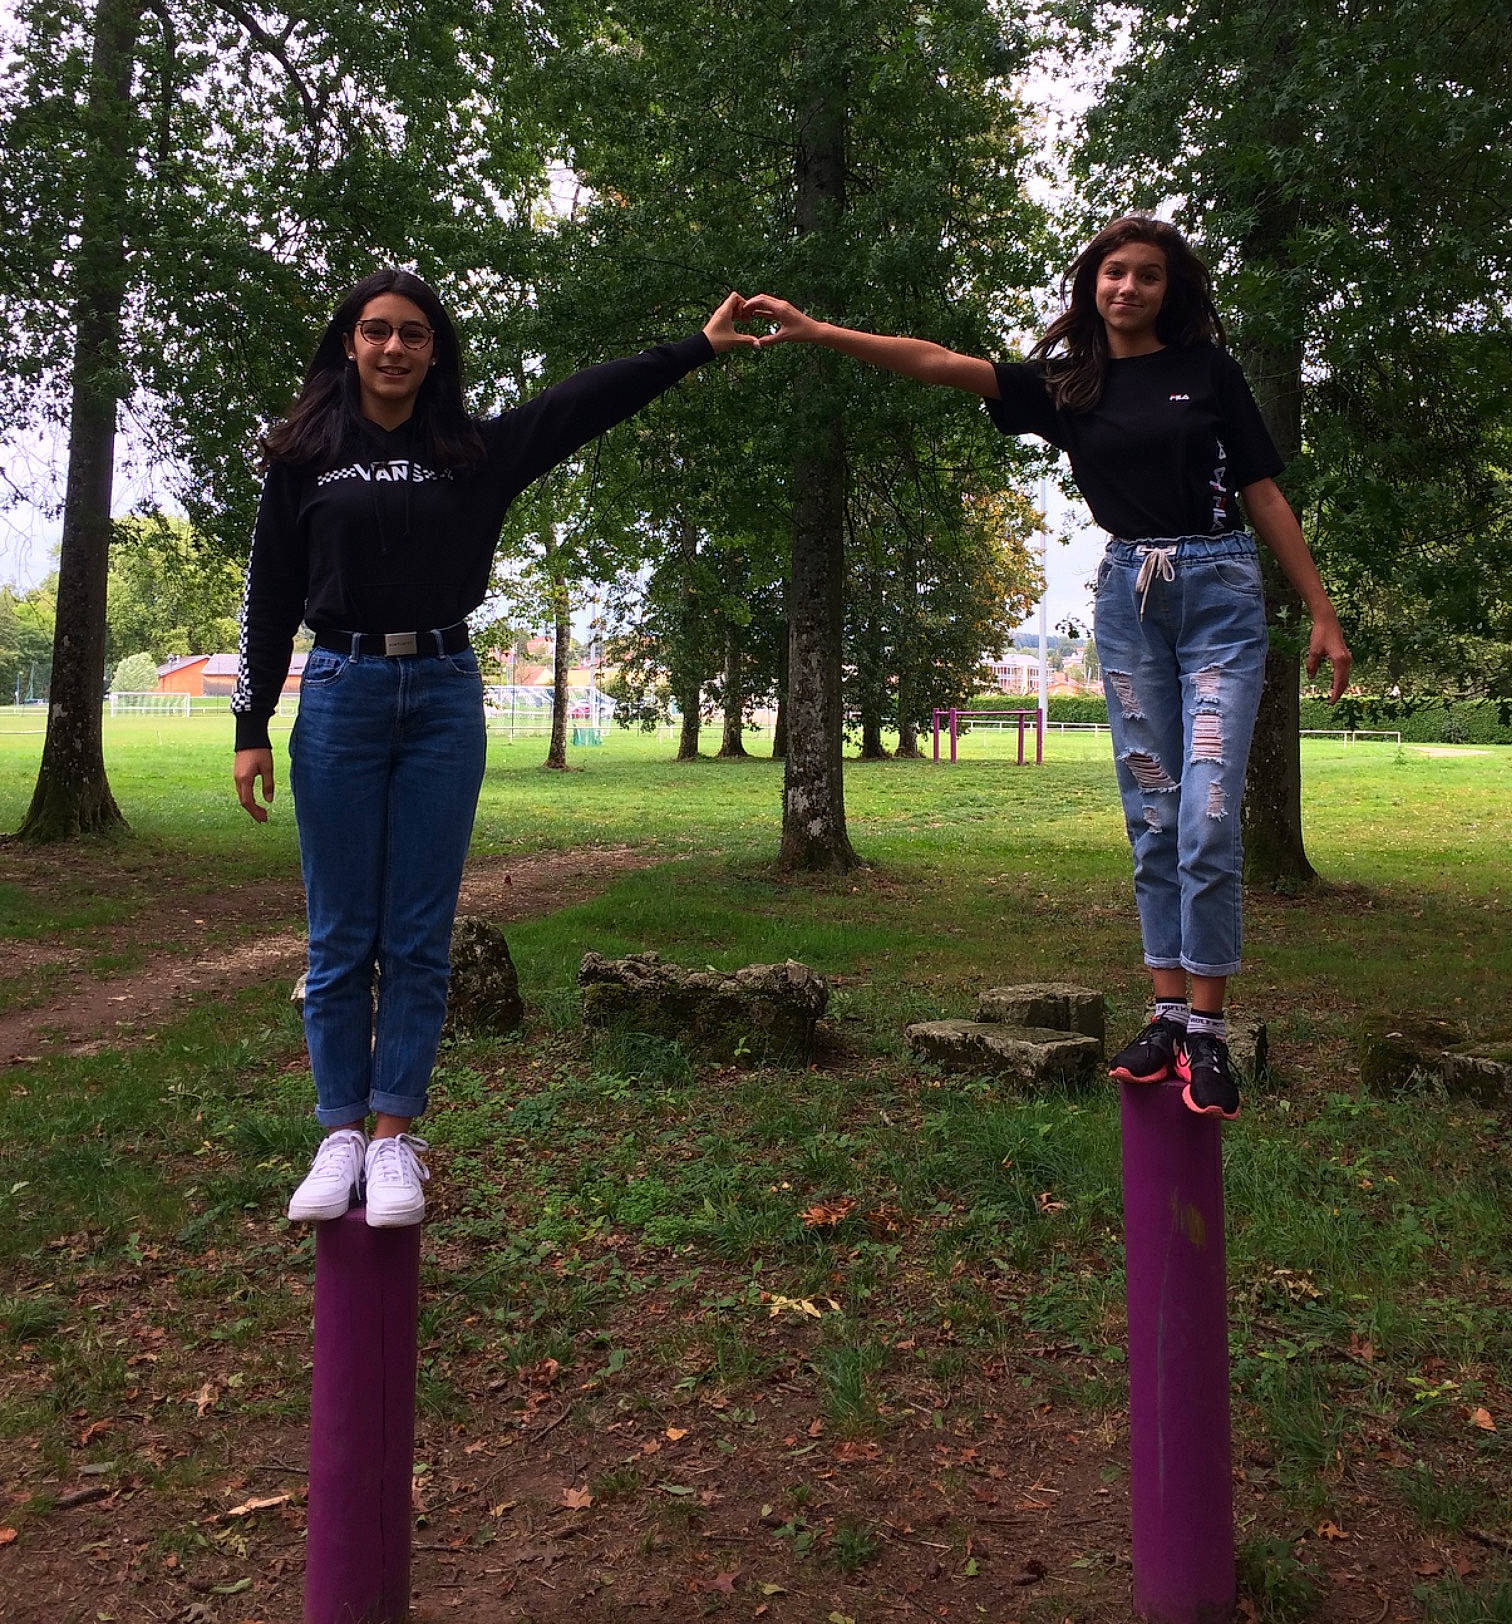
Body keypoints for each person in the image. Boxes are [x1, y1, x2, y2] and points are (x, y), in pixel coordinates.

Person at [743, 215, 1350, 1120]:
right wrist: (820, 331)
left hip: (1220, 589)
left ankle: (1209, 1034)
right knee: (1153, 812)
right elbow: (942, 362)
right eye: (1115, 272)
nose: (1129, 288)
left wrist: (1322, 611)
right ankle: (1166, 1012)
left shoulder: (1208, 374)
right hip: (1128, 599)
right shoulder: (1071, 386)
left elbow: (1262, 490)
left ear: (1168, 291)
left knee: (1209, 813)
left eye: (1148, 275)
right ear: (1092, 285)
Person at [234, 273, 756, 1225]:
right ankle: (338, 1130)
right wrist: (248, 725)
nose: (394, 349)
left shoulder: (470, 453)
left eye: (414, 335)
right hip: (342, 694)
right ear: (348, 343)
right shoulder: (304, 456)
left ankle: (393, 1135)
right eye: (377, 331)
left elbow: (581, 401)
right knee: (341, 934)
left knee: (418, 934)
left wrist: (696, 348)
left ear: (436, 352)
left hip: (440, 695)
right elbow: (268, 593)